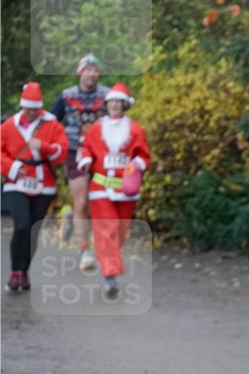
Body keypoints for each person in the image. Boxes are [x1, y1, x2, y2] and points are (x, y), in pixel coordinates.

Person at [75, 83, 149, 299]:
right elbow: (85, 149)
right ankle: (110, 277)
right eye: (112, 101)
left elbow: (144, 156)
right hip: (101, 187)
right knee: (107, 228)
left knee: (120, 231)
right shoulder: (97, 128)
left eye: (119, 102)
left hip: (126, 190)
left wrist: (136, 165)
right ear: (107, 104)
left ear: (124, 105)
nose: (115, 105)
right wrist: (86, 161)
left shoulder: (135, 129)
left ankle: (109, 264)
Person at [1, 82, 68, 291]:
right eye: (27, 108)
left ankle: (25, 272)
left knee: (32, 230)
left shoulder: (51, 124)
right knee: (21, 225)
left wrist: (44, 147)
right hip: (16, 183)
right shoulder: (9, 125)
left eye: (34, 108)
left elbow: (62, 151)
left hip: (43, 184)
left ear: (40, 107)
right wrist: (12, 167)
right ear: (22, 106)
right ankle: (15, 272)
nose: (30, 112)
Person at [51, 53, 109, 272]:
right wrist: (56, 146)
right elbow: (51, 122)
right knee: (82, 201)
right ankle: (85, 251)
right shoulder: (66, 96)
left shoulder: (108, 95)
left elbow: (121, 120)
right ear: (80, 72)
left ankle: (70, 216)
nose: (92, 74)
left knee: (99, 202)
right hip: (75, 152)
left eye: (96, 70)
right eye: (88, 69)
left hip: (100, 154)